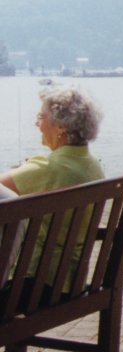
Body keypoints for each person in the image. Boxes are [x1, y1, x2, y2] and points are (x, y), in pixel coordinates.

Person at [1, 86, 105, 293]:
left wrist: (26, 168)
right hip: (71, 282)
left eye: (41, 117)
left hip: (35, 286)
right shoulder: (93, 165)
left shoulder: (49, 169)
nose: (37, 124)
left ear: (60, 127)